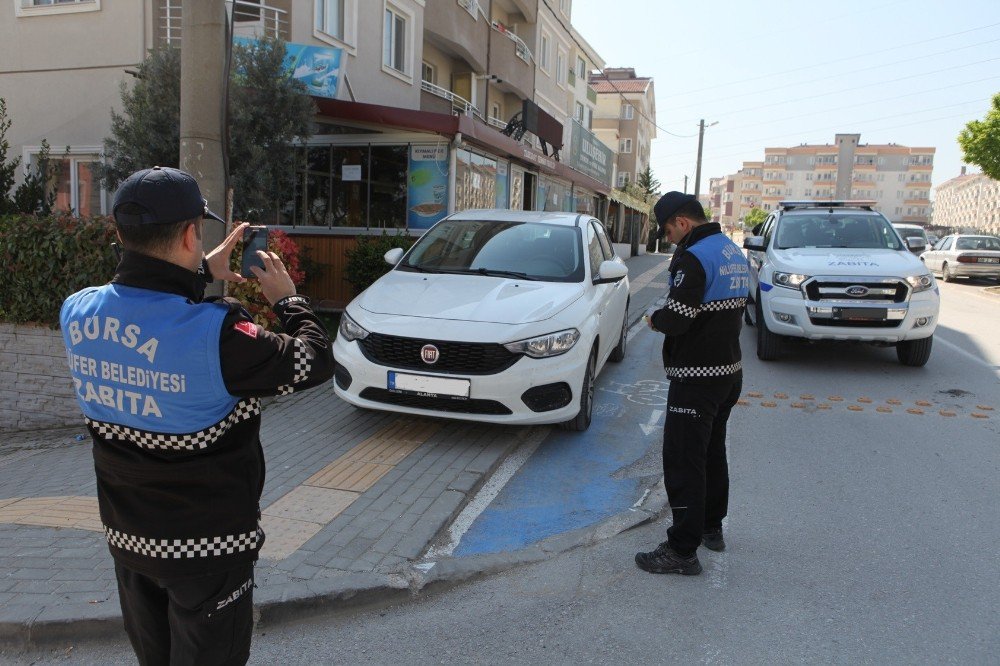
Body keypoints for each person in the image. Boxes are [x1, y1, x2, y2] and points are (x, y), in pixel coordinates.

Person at [59, 166, 335, 664]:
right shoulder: (220, 335)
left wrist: (200, 272)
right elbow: (313, 362)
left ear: (119, 233)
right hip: (208, 552)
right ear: (191, 233)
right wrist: (287, 299)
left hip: (128, 541)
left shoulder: (77, 313)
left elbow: (148, 310)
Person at [635, 192, 749, 576]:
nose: (667, 238)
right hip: (728, 373)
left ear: (683, 223)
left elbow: (680, 317)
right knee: (712, 453)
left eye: (668, 229)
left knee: (684, 462)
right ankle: (711, 528)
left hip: (697, 377)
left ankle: (682, 551)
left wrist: (655, 319)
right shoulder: (732, 251)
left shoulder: (694, 257)